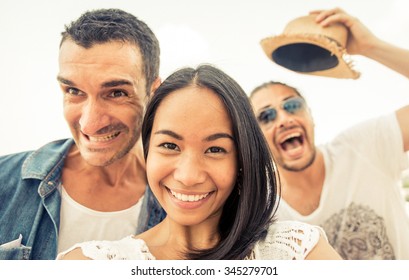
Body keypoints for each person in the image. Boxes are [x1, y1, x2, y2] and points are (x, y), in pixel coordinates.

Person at [56, 64, 341, 260]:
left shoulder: (297, 251)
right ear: (147, 152)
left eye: (215, 149)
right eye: (169, 146)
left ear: (242, 160)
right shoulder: (91, 264)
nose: (189, 176)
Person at [0, 8, 166, 260]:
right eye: (73, 90)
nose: (90, 124)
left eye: (117, 93)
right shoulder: (4, 181)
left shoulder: (183, 203)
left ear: (154, 92)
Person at [250, 8, 409, 259]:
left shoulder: (365, 146)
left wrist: (371, 47)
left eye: (292, 105)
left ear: (311, 117)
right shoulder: (258, 211)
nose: (284, 119)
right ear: (255, 139)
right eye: (266, 116)